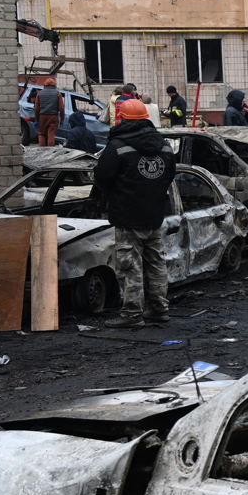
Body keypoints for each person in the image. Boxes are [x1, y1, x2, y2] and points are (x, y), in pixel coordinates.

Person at [91, 99, 176, 327]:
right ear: (146, 117)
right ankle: (158, 309)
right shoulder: (164, 145)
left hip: (127, 216)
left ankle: (132, 314)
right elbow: (169, 176)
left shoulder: (117, 146)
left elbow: (102, 178)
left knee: (129, 266)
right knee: (156, 264)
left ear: (122, 117)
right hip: (155, 215)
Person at [34, 81, 63, 147]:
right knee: (51, 135)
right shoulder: (58, 94)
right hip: (53, 117)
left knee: (41, 134)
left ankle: (42, 151)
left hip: (42, 117)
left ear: (45, 85)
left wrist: (37, 119)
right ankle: (50, 151)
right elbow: (61, 108)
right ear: (54, 85)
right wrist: (62, 119)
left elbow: (36, 108)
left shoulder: (39, 93)